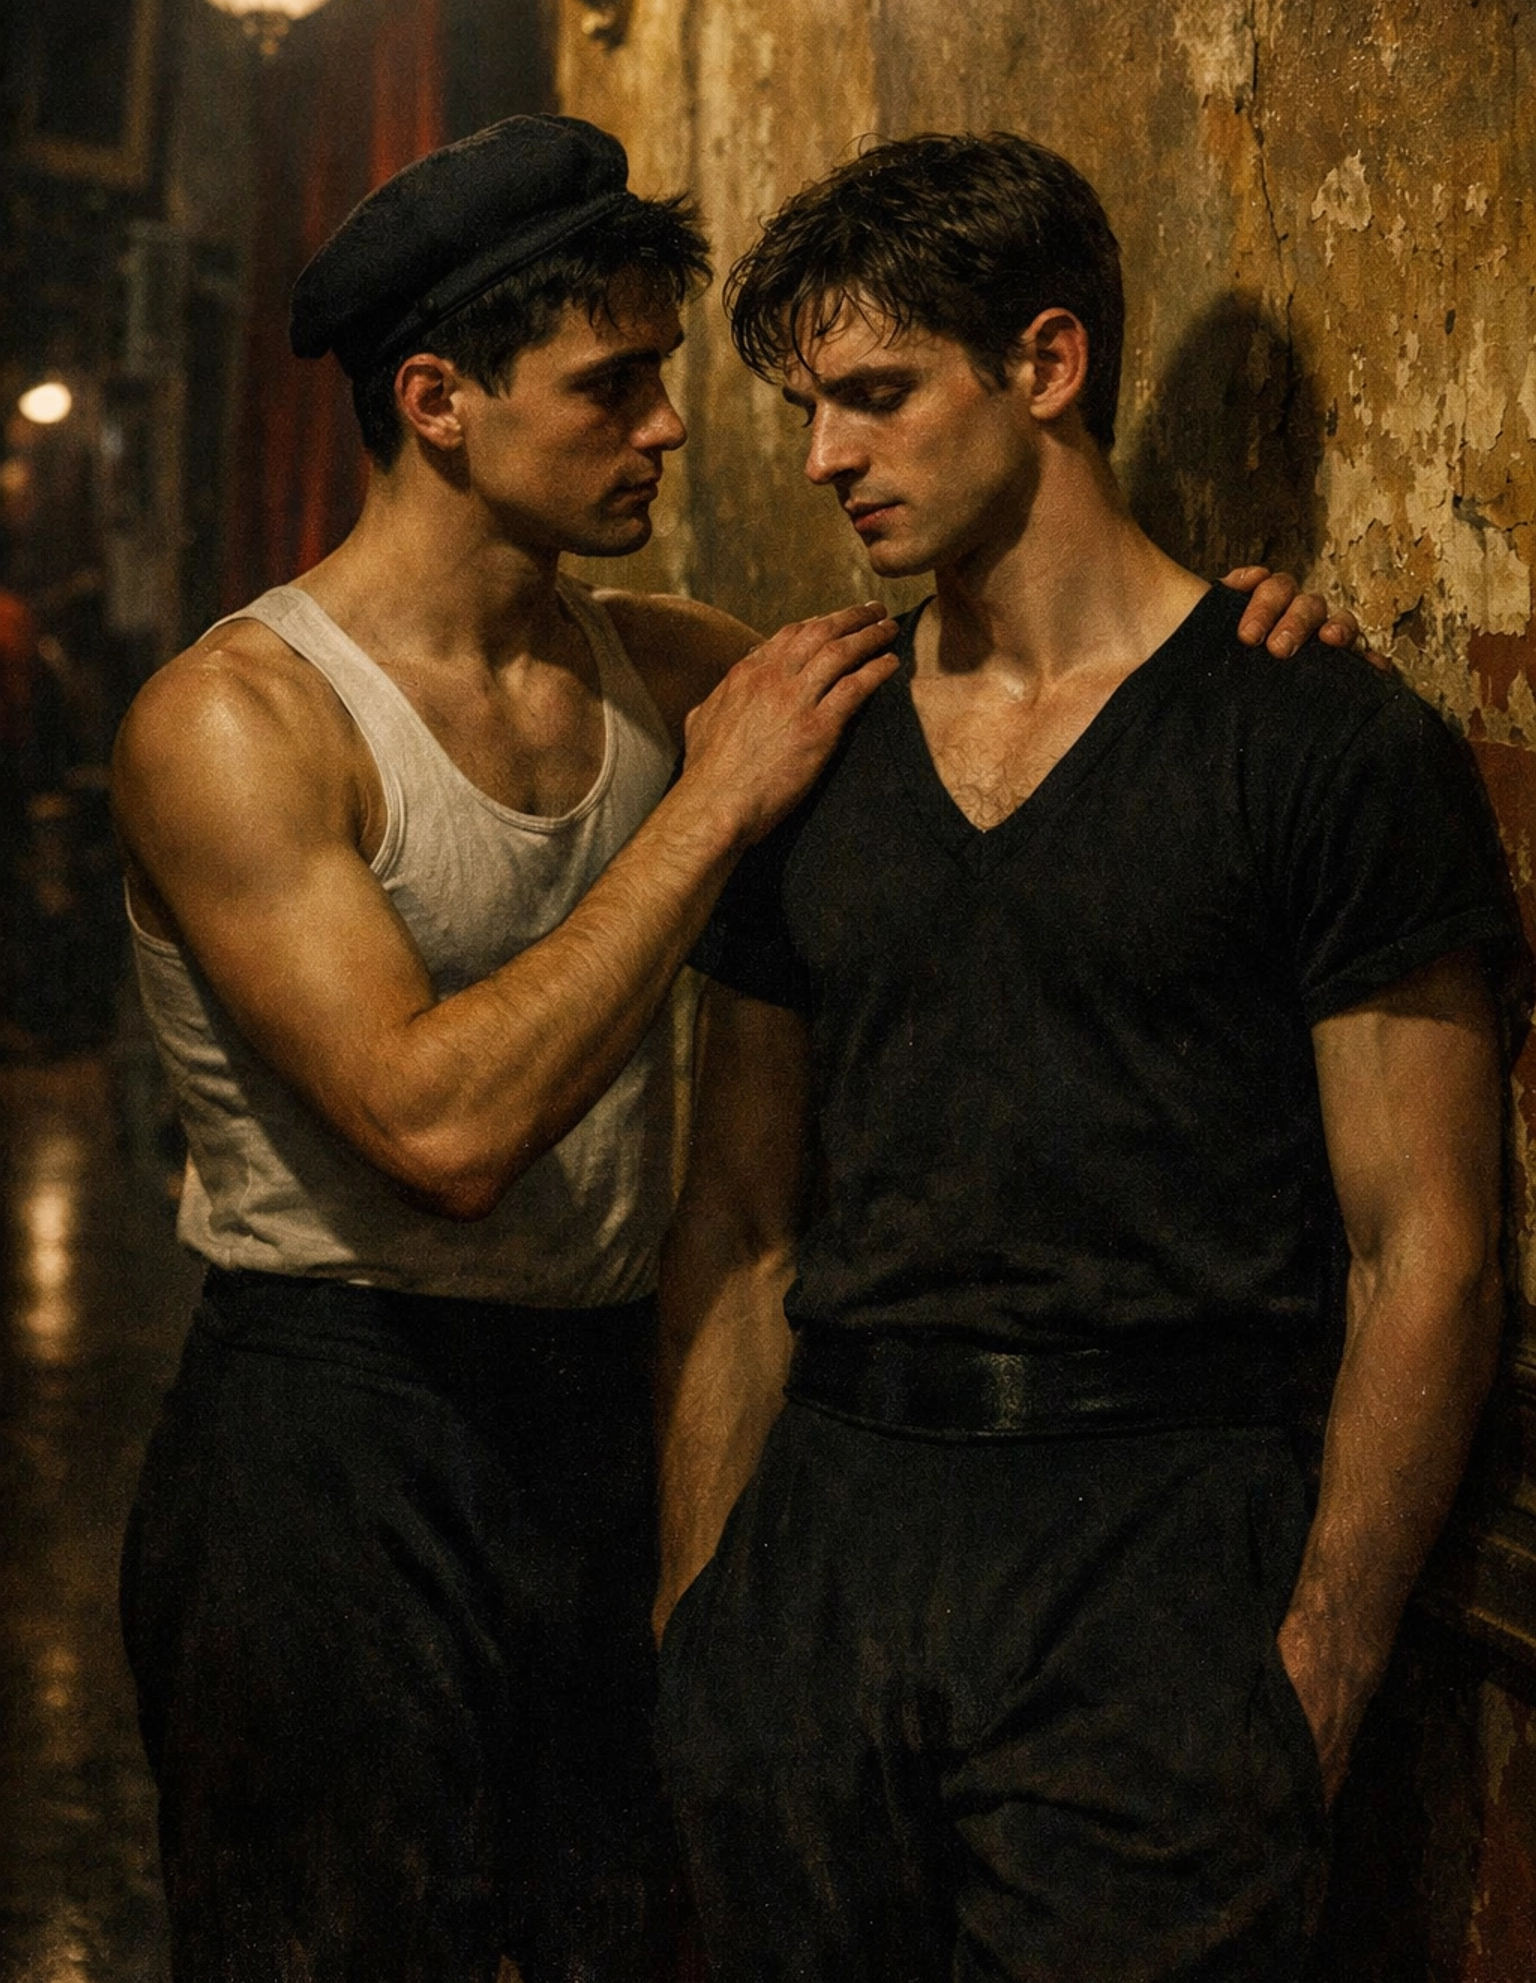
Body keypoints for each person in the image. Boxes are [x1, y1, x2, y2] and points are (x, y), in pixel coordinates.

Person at [112, 112, 1349, 1983]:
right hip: (333, 1435)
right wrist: (704, 816)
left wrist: (1248, 630)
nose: (673, 430)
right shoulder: (239, 718)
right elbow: (433, 1129)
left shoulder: (669, 663)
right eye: (612, 387)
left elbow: (1012, 670)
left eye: (664, 379)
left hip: (610, 1408)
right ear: (437, 400)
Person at [653, 132, 1525, 1983]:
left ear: (1047, 369)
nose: (824, 458)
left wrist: (1316, 1672)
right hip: (832, 1538)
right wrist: (702, 1619)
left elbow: (1426, 1246)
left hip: (1163, 1548)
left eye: (876, 397)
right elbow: (736, 1217)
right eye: (811, 406)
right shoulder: (812, 747)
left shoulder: (1315, 744)